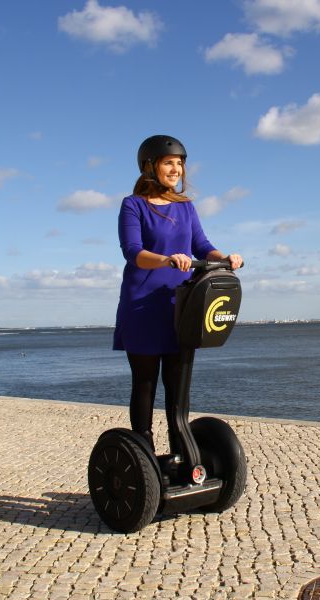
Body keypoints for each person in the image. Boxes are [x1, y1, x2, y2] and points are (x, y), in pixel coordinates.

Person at [113, 135, 243, 453]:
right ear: (149, 166)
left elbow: (201, 245)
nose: (176, 169)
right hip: (143, 306)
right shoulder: (134, 205)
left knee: (177, 383)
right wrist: (167, 259)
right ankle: (143, 456)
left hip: (181, 305)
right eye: (169, 162)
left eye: (180, 164)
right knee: (145, 382)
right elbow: (133, 252)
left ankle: (179, 452)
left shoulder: (186, 208)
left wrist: (226, 257)